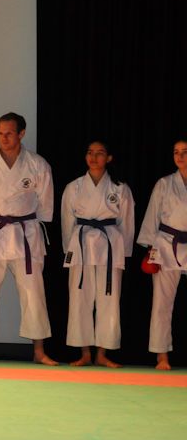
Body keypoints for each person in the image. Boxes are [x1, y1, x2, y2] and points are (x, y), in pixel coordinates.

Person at [0, 113, 57, 365]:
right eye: (0, 133)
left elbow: (45, 205)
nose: (4, 138)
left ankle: (39, 351)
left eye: (9, 133)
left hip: (26, 233)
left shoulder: (37, 165)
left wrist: (29, 220)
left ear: (21, 134)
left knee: (33, 292)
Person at [60, 140, 134, 367]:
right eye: (90, 152)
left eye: (100, 153)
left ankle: (102, 353)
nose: (93, 157)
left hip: (110, 244)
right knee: (79, 299)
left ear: (109, 158)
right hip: (80, 243)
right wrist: (69, 251)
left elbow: (127, 222)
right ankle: (84, 353)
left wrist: (124, 252)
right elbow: (67, 222)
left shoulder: (120, 188)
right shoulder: (74, 187)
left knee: (109, 300)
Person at [137, 138, 187, 371]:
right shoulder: (165, 184)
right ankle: (162, 356)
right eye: (176, 152)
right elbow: (152, 214)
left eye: (185, 152)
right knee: (162, 303)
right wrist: (150, 248)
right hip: (167, 244)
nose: (180, 156)